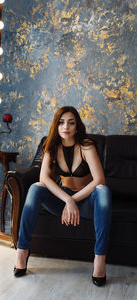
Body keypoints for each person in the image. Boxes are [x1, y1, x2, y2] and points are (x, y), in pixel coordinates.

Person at [14, 106, 112, 287]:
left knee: (103, 191)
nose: (66, 126)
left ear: (77, 126)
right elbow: (43, 178)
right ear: (56, 126)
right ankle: (22, 250)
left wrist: (73, 200)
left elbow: (99, 179)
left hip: (86, 202)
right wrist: (67, 199)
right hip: (62, 201)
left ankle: (100, 258)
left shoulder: (86, 146)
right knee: (36, 188)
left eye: (71, 122)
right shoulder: (50, 146)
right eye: (61, 122)